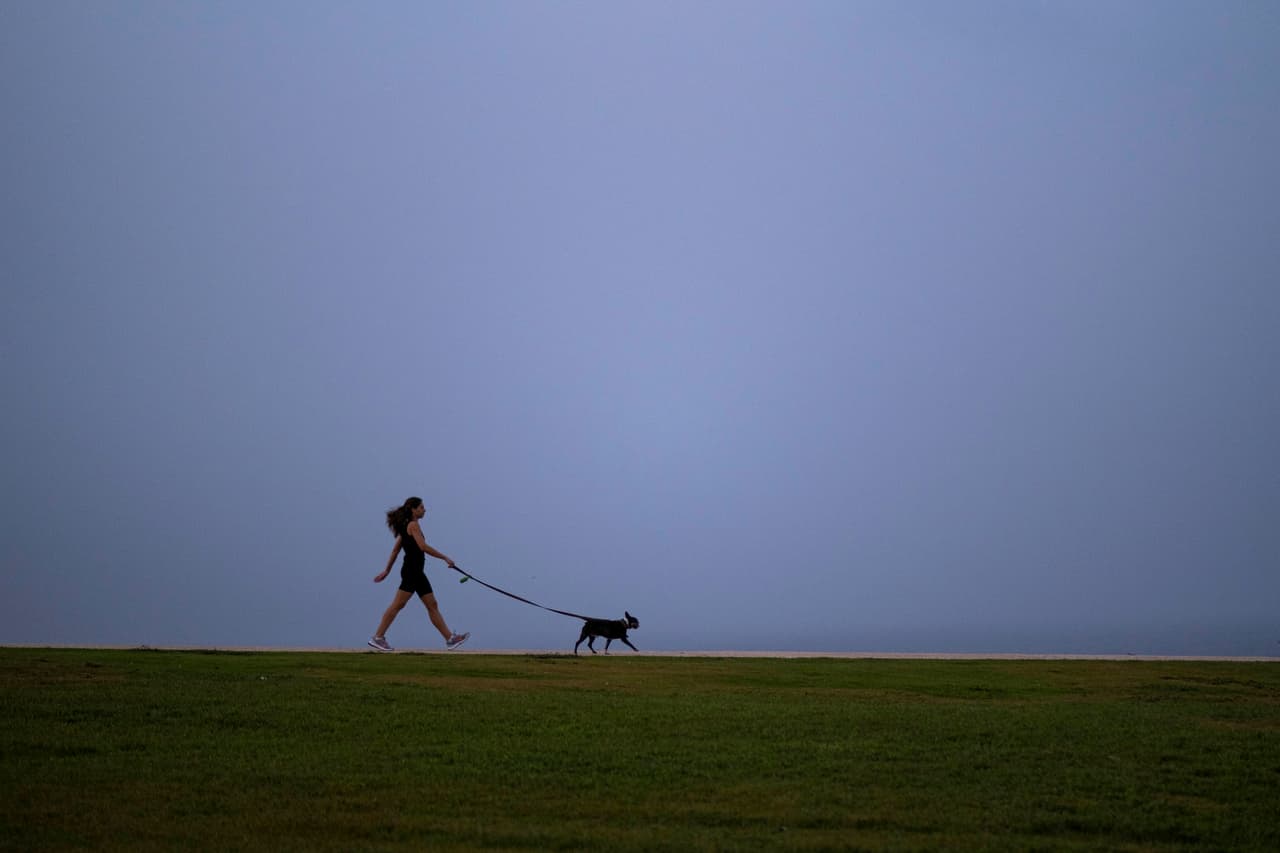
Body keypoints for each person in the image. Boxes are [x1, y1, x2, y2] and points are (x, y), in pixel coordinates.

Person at [368, 496, 470, 651]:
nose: (424, 510)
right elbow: (423, 547)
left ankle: (450, 639)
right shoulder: (413, 525)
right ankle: (378, 637)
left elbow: (396, 550)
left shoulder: (407, 526)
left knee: (432, 605)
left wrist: (387, 570)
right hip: (412, 571)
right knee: (398, 604)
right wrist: (444, 557)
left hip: (417, 572)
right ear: (413, 509)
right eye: (421, 507)